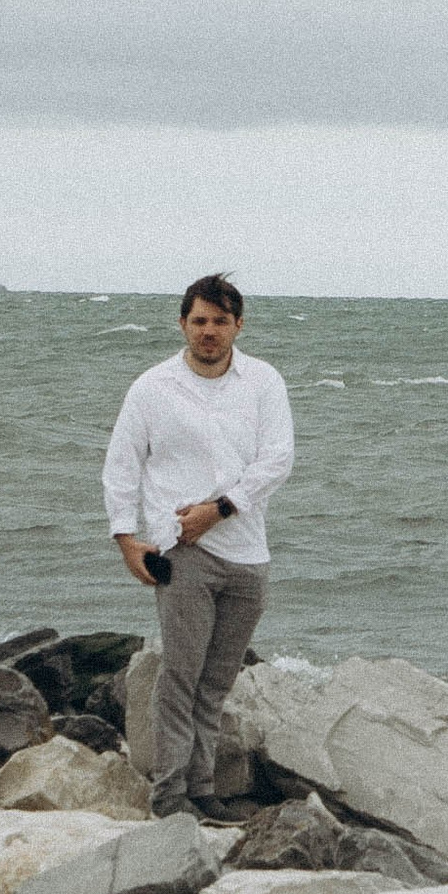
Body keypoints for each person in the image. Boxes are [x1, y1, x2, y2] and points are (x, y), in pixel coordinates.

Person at [102, 273, 295, 818]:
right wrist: (126, 540)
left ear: (239, 325)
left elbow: (278, 459)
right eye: (199, 321)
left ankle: (203, 791)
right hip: (181, 550)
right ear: (183, 324)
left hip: (248, 554)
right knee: (179, 679)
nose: (209, 331)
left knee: (215, 685)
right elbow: (122, 466)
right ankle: (170, 798)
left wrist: (220, 508)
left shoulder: (263, 382)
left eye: (220, 321)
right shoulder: (152, 388)